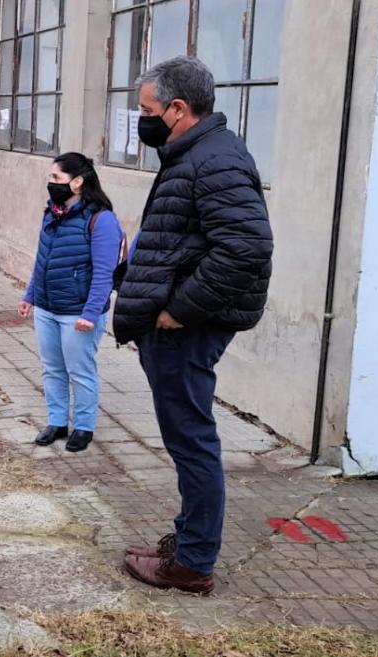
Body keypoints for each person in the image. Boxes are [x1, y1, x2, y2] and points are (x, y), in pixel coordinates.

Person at [113, 55, 273, 595]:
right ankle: (187, 541)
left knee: (192, 441)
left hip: (187, 328)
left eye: (148, 110)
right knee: (188, 438)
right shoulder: (193, 152)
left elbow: (247, 247)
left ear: (178, 109)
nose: (143, 120)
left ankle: (193, 562)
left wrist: (179, 308)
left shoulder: (216, 159)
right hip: (175, 325)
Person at [19, 153, 125, 454]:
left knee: (80, 371)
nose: (51, 184)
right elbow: (42, 260)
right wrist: (30, 296)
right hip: (47, 307)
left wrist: (91, 313)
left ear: (78, 182)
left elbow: (104, 273)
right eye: (51, 178)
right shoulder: (51, 213)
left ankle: (84, 427)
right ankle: (56, 422)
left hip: (78, 312)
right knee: (52, 369)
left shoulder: (101, 219)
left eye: (57, 178)